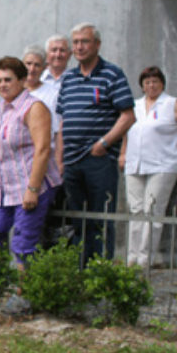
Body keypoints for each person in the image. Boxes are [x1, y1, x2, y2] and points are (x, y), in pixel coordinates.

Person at [57, 22, 135, 263]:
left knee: (101, 219)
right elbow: (62, 121)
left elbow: (128, 116)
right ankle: (81, 273)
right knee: (78, 220)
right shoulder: (68, 78)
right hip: (72, 161)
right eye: (76, 42)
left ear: (97, 45)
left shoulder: (112, 74)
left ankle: (100, 274)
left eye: (85, 41)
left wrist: (104, 143)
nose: (79, 47)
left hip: (99, 160)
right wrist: (59, 159)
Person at [0, 57, 62, 264]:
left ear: (22, 81)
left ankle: (26, 294)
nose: (2, 85)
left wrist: (32, 189)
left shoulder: (34, 107)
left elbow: (42, 149)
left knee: (23, 246)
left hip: (31, 186)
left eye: (8, 80)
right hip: (5, 190)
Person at [120, 66, 177, 267]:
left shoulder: (172, 104)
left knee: (153, 209)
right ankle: (132, 257)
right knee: (136, 210)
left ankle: (145, 258)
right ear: (142, 86)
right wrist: (123, 152)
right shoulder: (135, 105)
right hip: (135, 162)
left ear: (162, 83)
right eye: (147, 82)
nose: (151, 85)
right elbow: (126, 130)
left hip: (163, 163)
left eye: (155, 81)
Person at [22, 46, 63, 173]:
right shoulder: (14, 91)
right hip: (19, 160)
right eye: (28, 64)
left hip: (45, 159)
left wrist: (59, 161)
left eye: (37, 65)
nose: (32, 69)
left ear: (45, 68)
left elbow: (58, 132)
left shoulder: (53, 94)